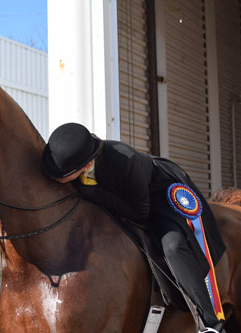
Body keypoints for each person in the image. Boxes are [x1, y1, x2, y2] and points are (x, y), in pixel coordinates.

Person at [41, 122, 226, 333]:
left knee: (173, 247)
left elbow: (140, 214)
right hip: (122, 194)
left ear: (84, 167)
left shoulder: (127, 162)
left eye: (62, 176)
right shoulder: (76, 163)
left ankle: (210, 324)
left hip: (159, 196)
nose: (57, 178)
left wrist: (90, 193)